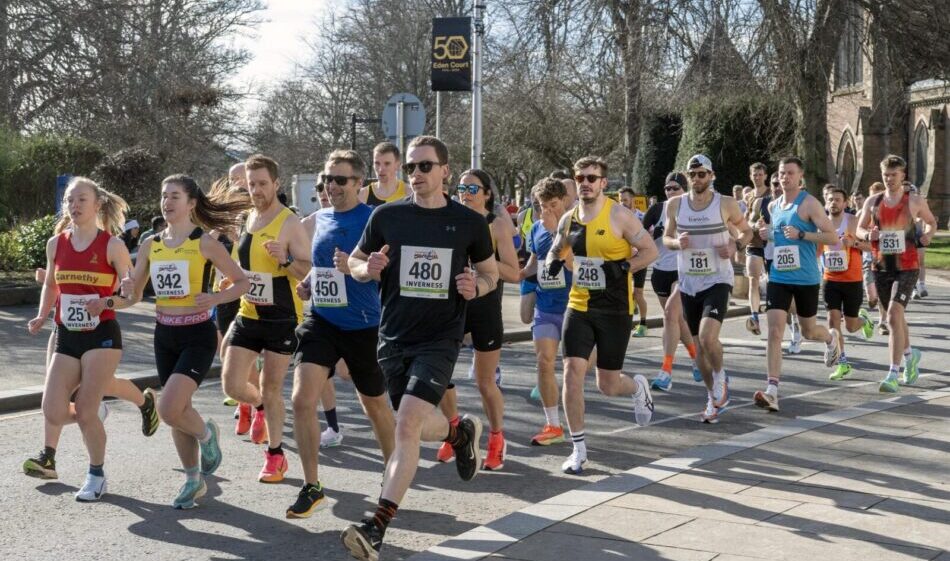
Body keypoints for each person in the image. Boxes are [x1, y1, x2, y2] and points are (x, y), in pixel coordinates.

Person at [340, 136, 497, 561]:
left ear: (445, 171)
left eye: (425, 166)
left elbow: (490, 273)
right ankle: (458, 431)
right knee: (409, 424)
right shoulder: (387, 216)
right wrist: (364, 268)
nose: (416, 175)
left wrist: (475, 286)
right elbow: (355, 261)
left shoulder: (468, 223)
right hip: (393, 337)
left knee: (406, 425)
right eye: (411, 168)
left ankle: (376, 527)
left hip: (440, 337)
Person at [122, 174, 249, 508]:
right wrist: (121, 291)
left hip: (197, 335)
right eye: (164, 196)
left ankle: (207, 436)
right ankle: (193, 480)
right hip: (164, 334)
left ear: (192, 203)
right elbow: (134, 293)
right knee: (179, 410)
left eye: (175, 196)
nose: (167, 202)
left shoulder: (203, 242)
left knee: (168, 408)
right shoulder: (151, 243)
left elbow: (241, 282)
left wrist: (214, 299)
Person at [287, 150, 396, 518]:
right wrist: (307, 284)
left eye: (340, 180)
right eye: (327, 179)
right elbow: (321, 266)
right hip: (321, 321)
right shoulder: (319, 219)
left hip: (364, 324)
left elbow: (387, 274)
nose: (331, 186)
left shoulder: (375, 219)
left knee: (375, 405)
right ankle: (311, 485)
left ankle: (394, 475)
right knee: (302, 400)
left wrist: (356, 270)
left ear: (359, 184)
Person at [27, 177, 138, 501]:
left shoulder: (111, 245)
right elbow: (52, 284)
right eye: (70, 200)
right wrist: (42, 313)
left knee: (86, 410)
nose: (74, 206)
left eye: (81, 200)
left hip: (101, 335)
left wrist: (108, 300)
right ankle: (96, 415)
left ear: (97, 205)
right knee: (54, 411)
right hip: (67, 334)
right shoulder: (55, 243)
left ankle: (96, 473)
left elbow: (130, 293)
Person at [544, 156, 658, 475]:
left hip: (615, 309)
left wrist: (623, 267)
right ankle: (578, 449)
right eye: (581, 178)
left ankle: (636, 387)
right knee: (570, 372)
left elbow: (651, 251)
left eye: (592, 178)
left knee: (607, 384)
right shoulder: (569, 219)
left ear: (603, 183)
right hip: (579, 306)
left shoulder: (620, 216)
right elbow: (558, 247)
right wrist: (554, 261)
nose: (586, 183)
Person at [220, 154, 312, 483]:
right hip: (249, 312)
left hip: (281, 318)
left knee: (271, 387)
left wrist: (285, 259)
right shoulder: (246, 218)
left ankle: (275, 455)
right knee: (231, 384)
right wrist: (230, 279)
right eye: (251, 183)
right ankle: (259, 406)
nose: (256, 190)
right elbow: (242, 264)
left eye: (262, 184)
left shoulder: (289, 223)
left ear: (275, 184)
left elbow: (307, 271)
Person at [23, 266, 159, 481]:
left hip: (97, 333)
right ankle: (48, 456)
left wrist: (118, 289)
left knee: (105, 386)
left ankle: (144, 402)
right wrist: (48, 281)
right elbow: (57, 281)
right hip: (63, 328)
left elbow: (119, 289)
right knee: (54, 398)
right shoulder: (61, 242)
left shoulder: (107, 245)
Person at [435, 169, 520, 470]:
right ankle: (454, 430)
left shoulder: (495, 225)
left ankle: (497, 437)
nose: (466, 192)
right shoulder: (448, 220)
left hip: (485, 310)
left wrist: (483, 259)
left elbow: (513, 272)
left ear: (487, 193)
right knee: (440, 376)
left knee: (485, 383)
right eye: (461, 187)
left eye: (473, 188)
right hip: (451, 309)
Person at [663, 156, 752, 422]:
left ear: (711, 175)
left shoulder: (725, 203)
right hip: (689, 281)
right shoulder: (675, 205)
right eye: (693, 174)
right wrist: (677, 243)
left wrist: (735, 246)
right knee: (698, 349)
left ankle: (721, 376)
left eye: (702, 174)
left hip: (717, 280)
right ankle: (712, 396)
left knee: (707, 336)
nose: (697, 179)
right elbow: (666, 238)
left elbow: (746, 232)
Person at [753, 157, 841, 412]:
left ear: (800, 176)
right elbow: (778, 236)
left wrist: (803, 234)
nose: (785, 177)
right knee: (775, 332)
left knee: (808, 331)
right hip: (779, 277)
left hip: (806, 278)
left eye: (790, 173)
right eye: (782, 173)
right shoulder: (773, 206)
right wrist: (766, 234)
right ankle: (772, 390)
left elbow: (832, 236)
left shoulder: (810, 203)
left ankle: (830, 337)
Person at [857, 155, 936, 392]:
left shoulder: (913, 200)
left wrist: (928, 236)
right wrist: (867, 235)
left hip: (908, 266)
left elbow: (931, 222)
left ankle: (893, 372)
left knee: (892, 315)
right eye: (885, 175)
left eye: (894, 175)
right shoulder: (873, 201)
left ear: (903, 176)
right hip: (881, 266)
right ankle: (911, 356)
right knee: (897, 318)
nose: (889, 179)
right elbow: (859, 229)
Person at [519, 178, 572, 444]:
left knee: (595, 372)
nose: (548, 211)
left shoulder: (578, 226)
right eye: (542, 206)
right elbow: (533, 264)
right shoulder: (536, 230)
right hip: (546, 305)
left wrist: (556, 233)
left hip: (576, 306)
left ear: (564, 201)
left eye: (553, 205)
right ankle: (553, 425)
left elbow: (575, 265)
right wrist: (512, 274)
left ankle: (634, 387)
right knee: (544, 361)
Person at [643, 172, 701, 391]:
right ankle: (697, 359)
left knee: (669, 313)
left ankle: (666, 372)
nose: (670, 192)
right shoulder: (657, 210)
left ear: (684, 189)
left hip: (683, 271)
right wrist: (654, 234)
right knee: (677, 321)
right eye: (667, 188)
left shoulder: (692, 209)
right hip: (659, 271)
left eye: (675, 188)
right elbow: (638, 239)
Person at [821, 186, 875, 381]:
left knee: (851, 326)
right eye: (830, 199)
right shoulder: (822, 223)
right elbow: (817, 250)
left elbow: (871, 246)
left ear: (845, 203)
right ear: (825, 202)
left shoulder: (852, 222)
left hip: (852, 279)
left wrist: (855, 244)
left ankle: (865, 321)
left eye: (837, 199)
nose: (833, 203)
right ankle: (843, 363)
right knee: (833, 321)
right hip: (830, 279)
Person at [744, 163, 770, 335]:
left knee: (773, 282)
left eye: (760, 174)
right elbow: (745, 220)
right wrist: (753, 226)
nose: (757, 177)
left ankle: (788, 319)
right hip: (754, 243)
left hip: (771, 244)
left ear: (765, 176)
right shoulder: (748, 196)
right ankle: (754, 316)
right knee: (753, 279)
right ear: (751, 176)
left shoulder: (773, 194)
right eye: (755, 174)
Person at [619, 187, 649, 337]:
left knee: (638, 293)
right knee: (622, 293)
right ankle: (624, 324)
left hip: (639, 259)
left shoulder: (642, 217)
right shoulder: (618, 218)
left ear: (632, 199)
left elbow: (648, 238)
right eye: (620, 200)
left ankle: (643, 324)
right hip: (623, 260)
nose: (622, 203)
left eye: (625, 200)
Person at [360, 142, 407, 206]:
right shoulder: (362, 195)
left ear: (398, 165)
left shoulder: (409, 193)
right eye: (377, 163)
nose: (381, 169)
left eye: (387, 163)